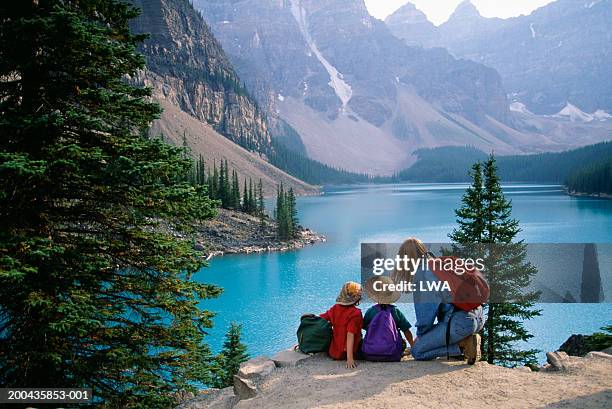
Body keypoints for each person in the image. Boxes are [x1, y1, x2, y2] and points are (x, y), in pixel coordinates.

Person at [396, 238, 486, 365]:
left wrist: (421, 338)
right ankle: (464, 341)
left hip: (459, 323)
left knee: (418, 351)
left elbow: (425, 316)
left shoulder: (423, 274)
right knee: (431, 339)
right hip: (478, 316)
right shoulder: (438, 264)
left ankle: (463, 345)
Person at [362, 276, 414, 362]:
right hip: (393, 354)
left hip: (370, 353)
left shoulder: (370, 311)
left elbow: (364, 326)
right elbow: (406, 331)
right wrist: (412, 346)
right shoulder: (396, 311)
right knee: (403, 341)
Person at [320, 281, 363, 368]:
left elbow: (321, 318)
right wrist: (350, 358)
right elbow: (350, 334)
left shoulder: (335, 308)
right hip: (350, 352)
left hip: (334, 352)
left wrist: (309, 317)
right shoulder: (355, 313)